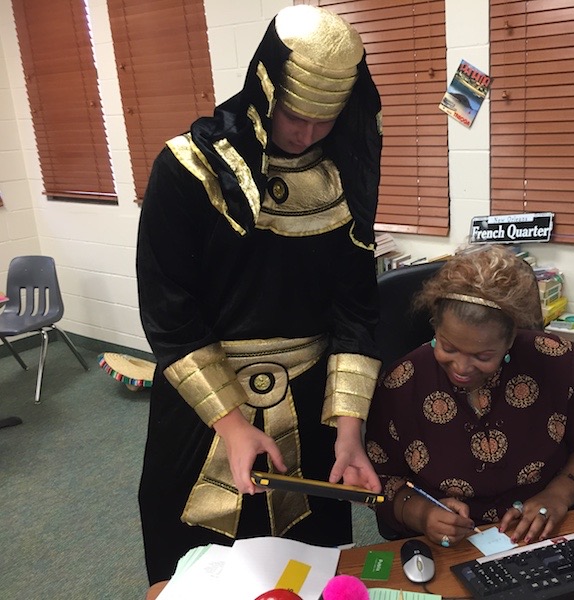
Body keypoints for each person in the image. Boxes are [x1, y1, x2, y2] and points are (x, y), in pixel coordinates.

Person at [136, 5, 383, 584]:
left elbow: (357, 313)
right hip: (204, 410)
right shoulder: (187, 168)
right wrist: (230, 423)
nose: (306, 136)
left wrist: (350, 432)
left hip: (309, 397)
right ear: (265, 88)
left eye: (325, 122)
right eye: (294, 117)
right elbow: (170, 314)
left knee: (309, 565)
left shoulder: (341, 175)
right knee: (198, 570)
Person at [365, 245, 574, 549]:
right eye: (447, 347)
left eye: (483, 356)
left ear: (511, 338)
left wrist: (558, 495)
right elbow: (378, 479)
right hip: (453, 546)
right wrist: (421, 513)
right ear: (435, 325)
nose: (461, 367)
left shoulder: (555, 360)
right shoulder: (401, 383)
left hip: (548, 529)